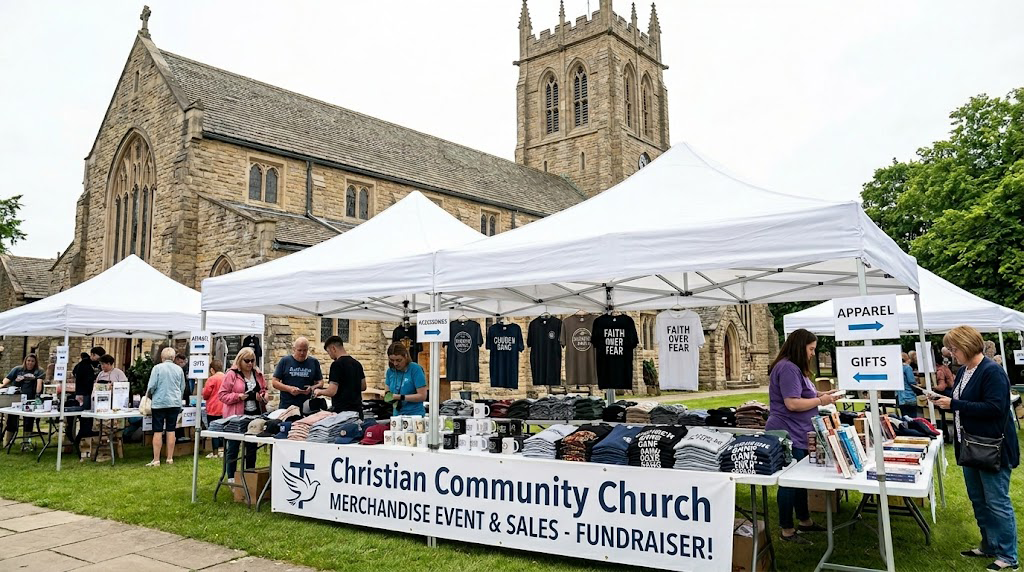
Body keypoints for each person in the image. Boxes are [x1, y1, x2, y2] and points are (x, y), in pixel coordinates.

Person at [933, 325, 1019, 571]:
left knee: (996, 501)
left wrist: (955, 403)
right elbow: (963, 399)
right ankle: (989, 545)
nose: (951, 353)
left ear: (968, 345)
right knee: (979, 500)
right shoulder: (963, 371)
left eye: (954, 348)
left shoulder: (992, 371)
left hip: (992, 448)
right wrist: (943, 399)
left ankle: (1008, 556)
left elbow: (995, 408)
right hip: (970, 446)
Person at [764, 329, 836, 544]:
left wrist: (821, 396)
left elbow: (804, 395)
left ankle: (804, 521)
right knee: (789, 482)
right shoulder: (787, 368)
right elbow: (793, 403)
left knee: (800, 478)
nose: (813, 353)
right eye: (811, 349)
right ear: (800, 347)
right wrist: (821, 402)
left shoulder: (793, 368)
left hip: (799, 431)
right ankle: (787, 529)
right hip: (788, 432)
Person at [218, 348, 266, 482]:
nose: (250, 364)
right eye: (247, 361)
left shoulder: (257, 374)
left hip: (255, 415)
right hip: (236, 417)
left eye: (252, 361)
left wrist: (262, 396)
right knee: (233, 447)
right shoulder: (231, 374)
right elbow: (222, 395)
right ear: (240, 360)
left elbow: (264, 389)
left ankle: (249, 476)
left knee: (251, 448)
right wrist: (238, 396)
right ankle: (231, 478)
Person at [145, 347, 185, 467]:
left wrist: (149, 395)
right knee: (171, 429)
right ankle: (170, 458)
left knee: (157, 430)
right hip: (174, 402)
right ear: (173, 358)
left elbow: (151, 386)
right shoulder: (179, 369)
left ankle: (156, 459)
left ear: (162, 357)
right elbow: (182, 387)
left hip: (159, 402)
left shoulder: (157, 368)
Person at [314, 336, 366, 415]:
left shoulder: (336, 365)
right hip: (357, 411)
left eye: (328, 352)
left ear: (333, 348)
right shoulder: (357, 364)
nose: (330, 356)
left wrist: (319, 391)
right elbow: (363, 386)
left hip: (342, 413)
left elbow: (332, 391)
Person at [1, 355, 45, 448]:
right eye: (28, 360)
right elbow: (6, 380)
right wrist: (1, 387)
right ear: (25, 361)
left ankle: (26, 443)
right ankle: (7, 442)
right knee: (12, 419)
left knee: (28, 420)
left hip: (30, 398)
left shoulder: (39, 371)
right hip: (16, 399)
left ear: (35, 362)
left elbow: (39, 385)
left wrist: (37, 395)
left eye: (32, 361)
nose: (30, 363)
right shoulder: (17, 369)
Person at [271, 337, 323, 411]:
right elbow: (274, 382)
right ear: (294, 349)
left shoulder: (313, 362)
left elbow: (321, 383)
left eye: (305, 350)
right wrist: (289, 389)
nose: (302, 353)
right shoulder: (285, 361)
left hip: (307, 406)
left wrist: (312, 388)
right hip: (287, 405)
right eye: (299, 350)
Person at [385, 342, 427, 417]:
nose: (395, 364)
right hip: (397, 415)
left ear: (405, 356)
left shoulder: (415, 369)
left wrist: (401, 397)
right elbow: (387, 392)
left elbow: (422, 396)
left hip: (415, 415)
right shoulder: (390, 371)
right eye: (392, 360)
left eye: (399, 360)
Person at [73, 347, 104, 443]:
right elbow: (78, 376)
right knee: (85, 414)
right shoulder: (83, 364)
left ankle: (88, 431)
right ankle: (82, 434)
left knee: (90, 414)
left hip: (93, 392)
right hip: (84, 392)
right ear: (93, 355)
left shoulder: (98, 365)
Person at [201, 359, 225, 458]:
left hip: (213, 407)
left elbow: (206, 394)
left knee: (214, 431)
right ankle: (223, 449)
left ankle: (215, 452)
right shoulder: (226, 377)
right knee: (224, 430)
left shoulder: (212, 379)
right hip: (224, 407)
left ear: (212, 369)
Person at [898, 352, 920, 418]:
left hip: (900, 398)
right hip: (909, 396)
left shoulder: (896, 368)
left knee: (905, 418)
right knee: (913, 419)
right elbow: (911, 382)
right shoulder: (907, 368)